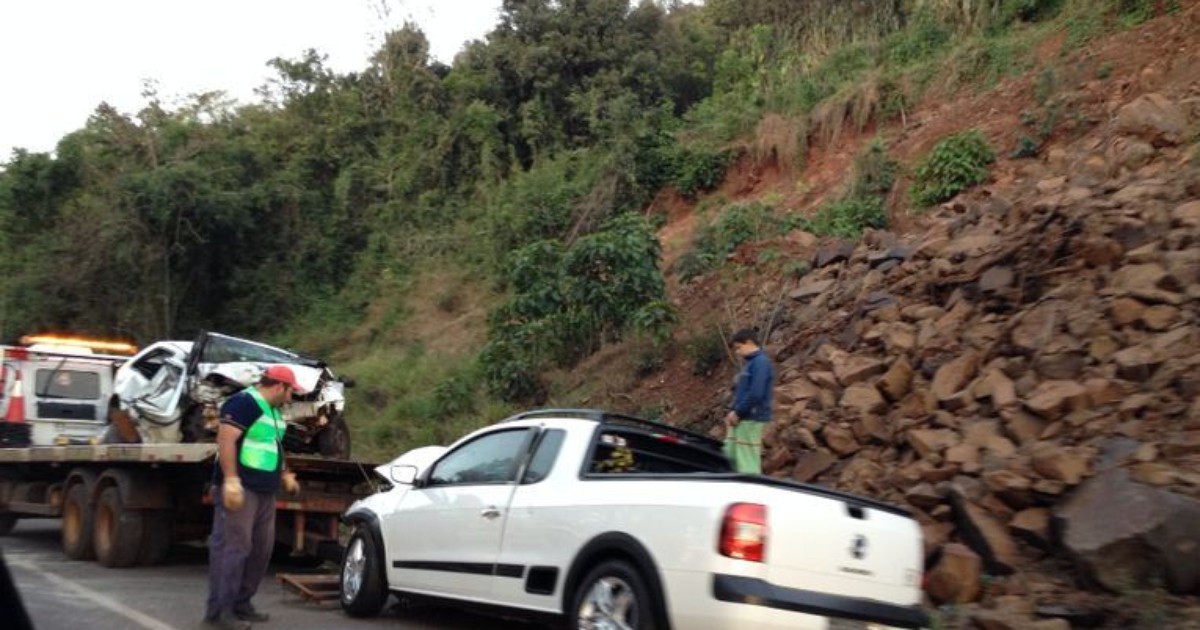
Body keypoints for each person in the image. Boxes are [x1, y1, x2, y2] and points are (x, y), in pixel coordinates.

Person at [204, 365, 304, 630]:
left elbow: (272, 444)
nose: (291, 397)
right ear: (279, 386)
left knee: (261, 549)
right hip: (241, 488)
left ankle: (242, 603)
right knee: (234, 548)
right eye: (291, 391)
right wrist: (232, 480)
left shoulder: (273, 411)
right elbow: (225, 440)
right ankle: (219, 612)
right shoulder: (244, 402)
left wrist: (285, 474)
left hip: (265, 489)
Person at [724, 328, 775, 474]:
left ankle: (751, 492)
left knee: (747, 462)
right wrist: (733, 411)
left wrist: (738, 412)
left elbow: (756, 394)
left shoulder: (760, 363)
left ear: (750, 342)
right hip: (742, 417)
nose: (737, 352)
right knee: (730, 454)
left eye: (739, 348)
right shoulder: (751, 364)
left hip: (751, 418)